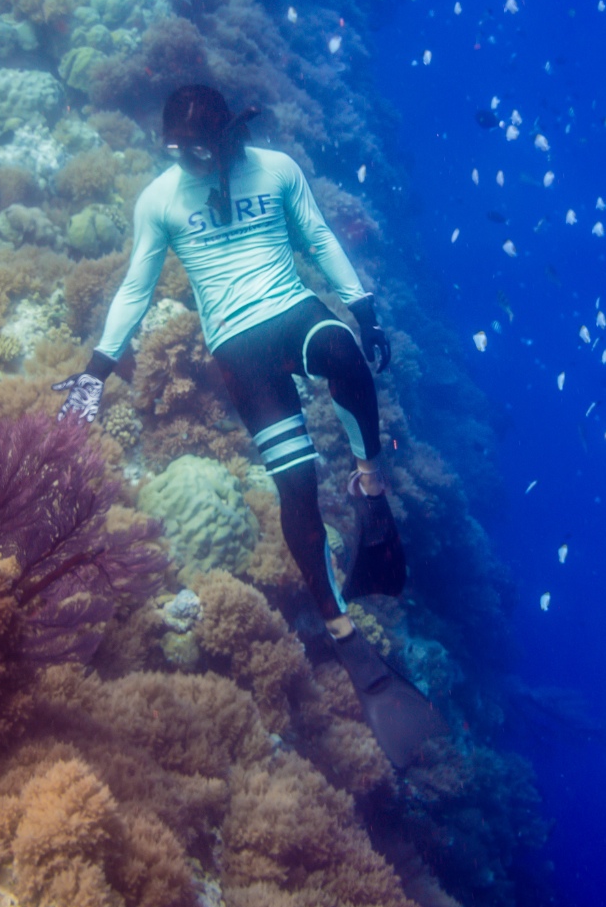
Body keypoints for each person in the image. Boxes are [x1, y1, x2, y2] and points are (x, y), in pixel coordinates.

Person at [54, 84, 443, 768]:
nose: (191, 163)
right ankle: (342, 631)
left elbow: (318, 236)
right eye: (177, 152)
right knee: (295, 486)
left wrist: (364, 306)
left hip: (291, 308)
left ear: (231, 136)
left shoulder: (277, 168)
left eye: (202, 150)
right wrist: (96, 366)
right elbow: (136, 286)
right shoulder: (161, 198)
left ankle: (370, 492)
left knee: (344, 352)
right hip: (237, 345)